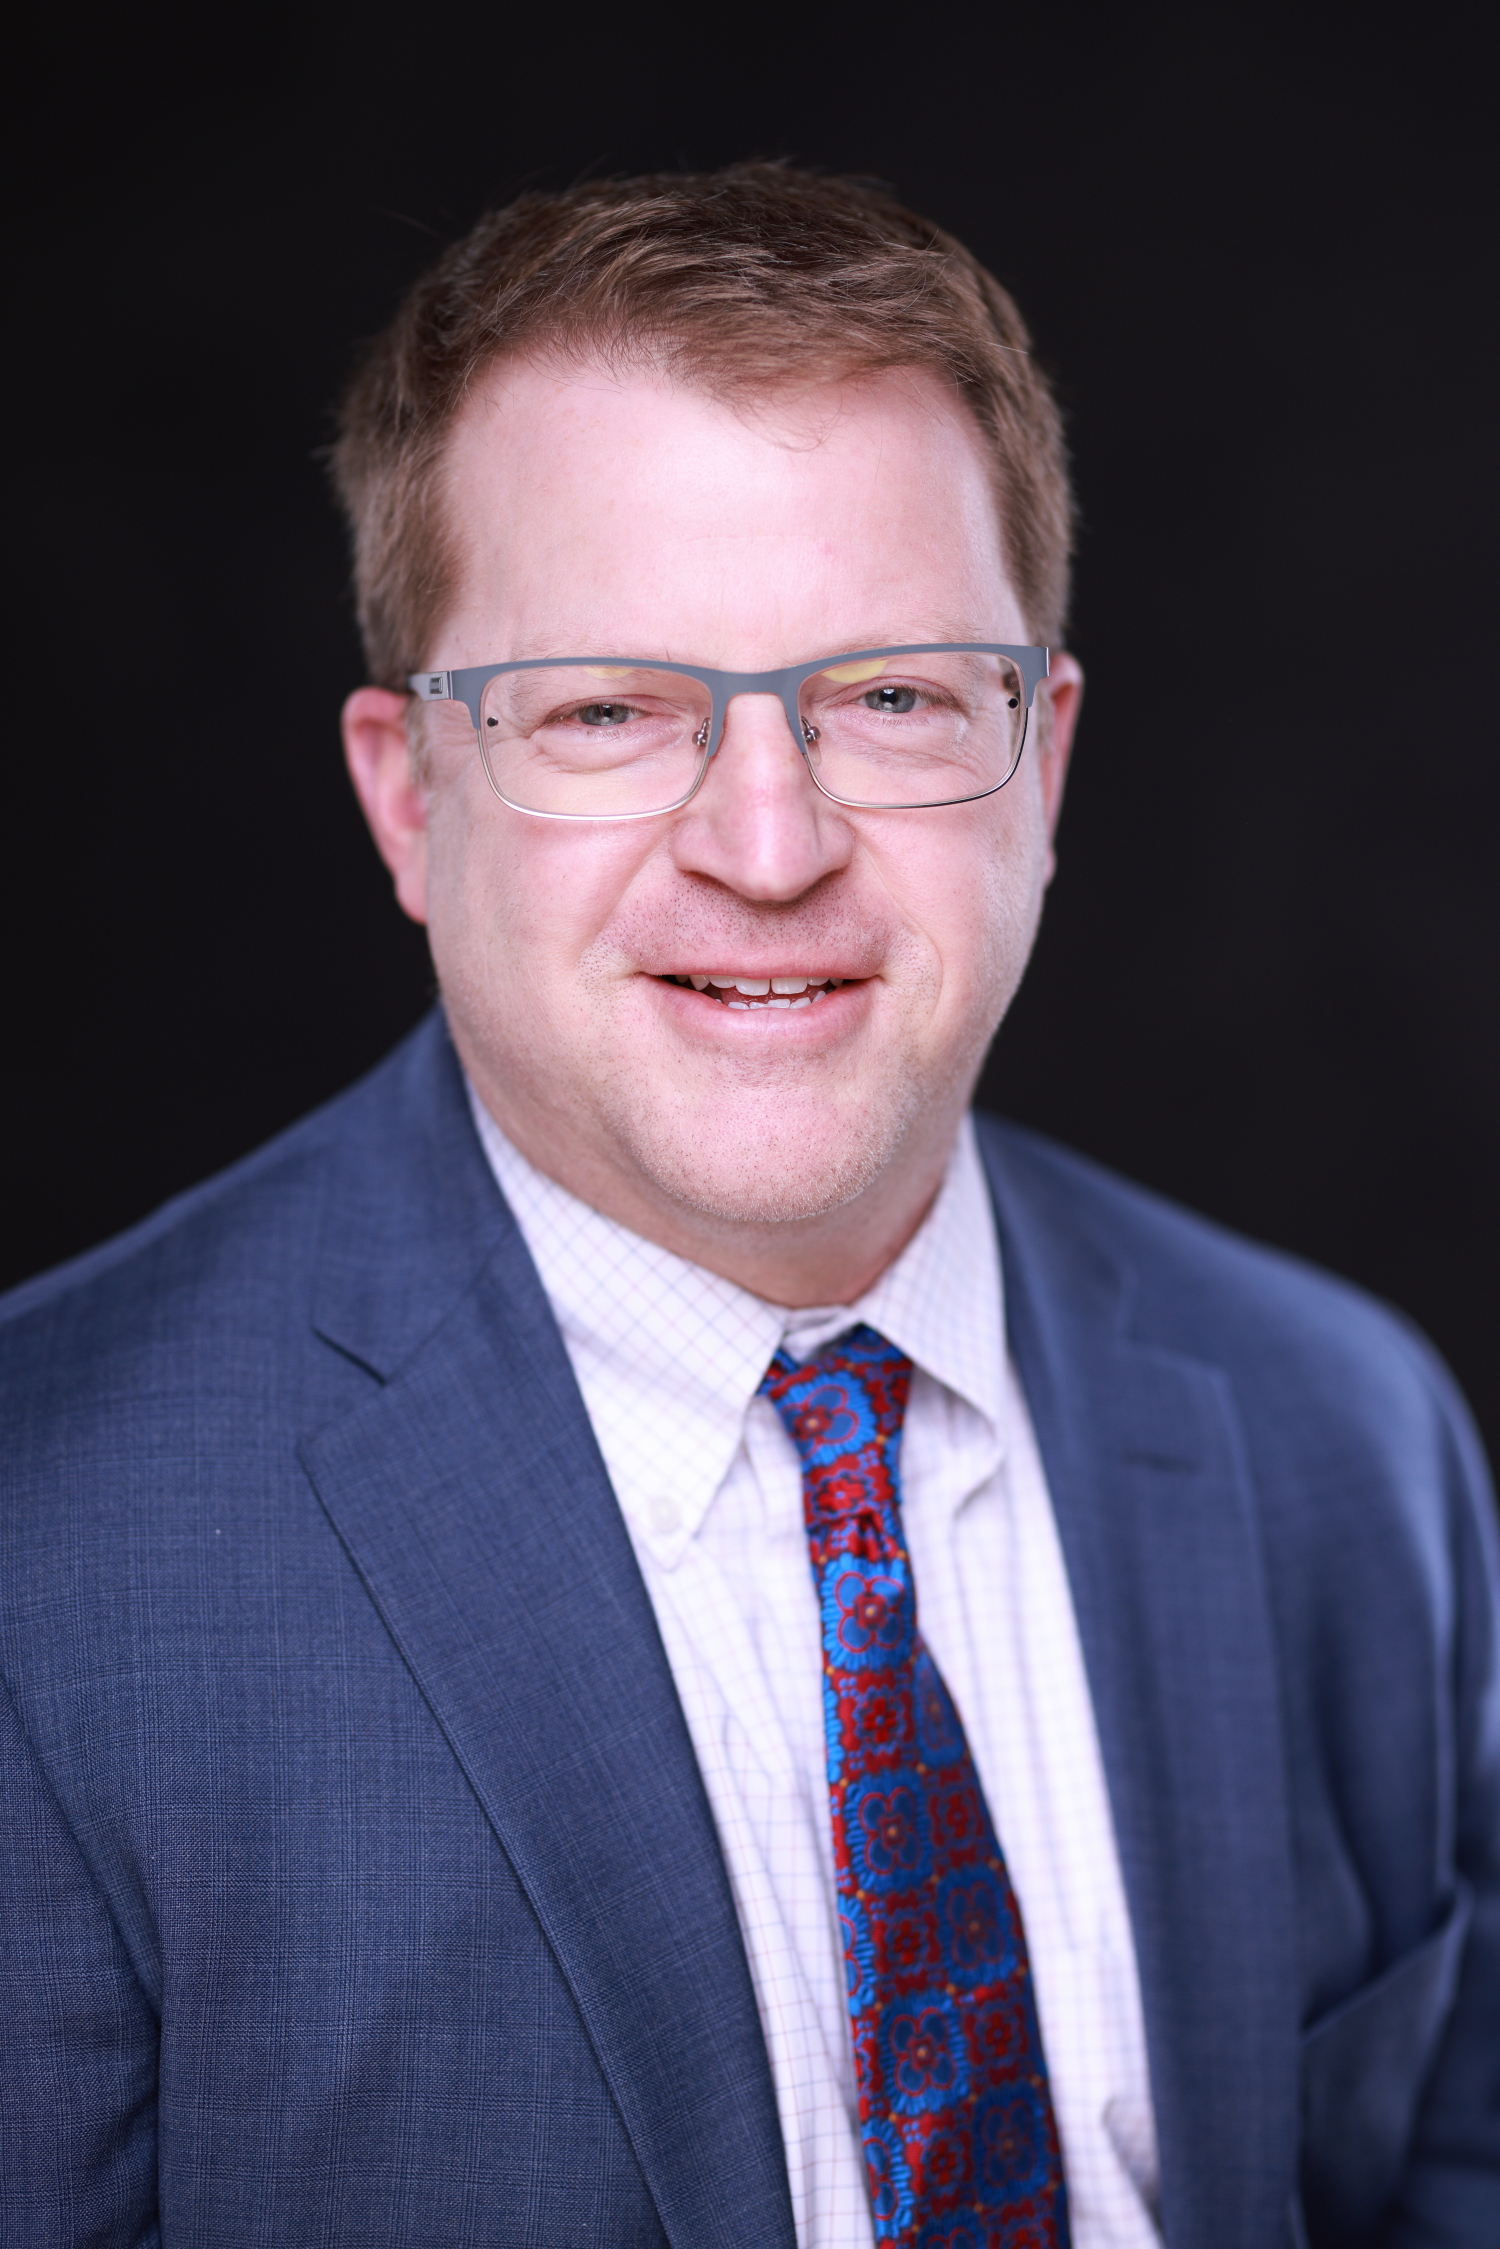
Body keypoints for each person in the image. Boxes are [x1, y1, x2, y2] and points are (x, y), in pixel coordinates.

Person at [1, 165, 1495, 2249]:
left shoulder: (1352, 1441)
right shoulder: (45, 1554)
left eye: (889, 698)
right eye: (609, 710)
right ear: (411, 800)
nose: (768, 843)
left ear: (1039, 769)